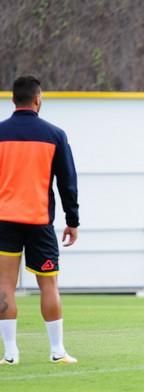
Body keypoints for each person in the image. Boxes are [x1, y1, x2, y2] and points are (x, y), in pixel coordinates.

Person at [0, 76, 80, 364]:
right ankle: (57, 351)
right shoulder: (55, 135)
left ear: (13, 101)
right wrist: (73, 220)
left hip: (4, 220)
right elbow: (67, 181)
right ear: (37, 100)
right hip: (38, 221)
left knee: (4, 286)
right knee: (48, 285)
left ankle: (10, 354)